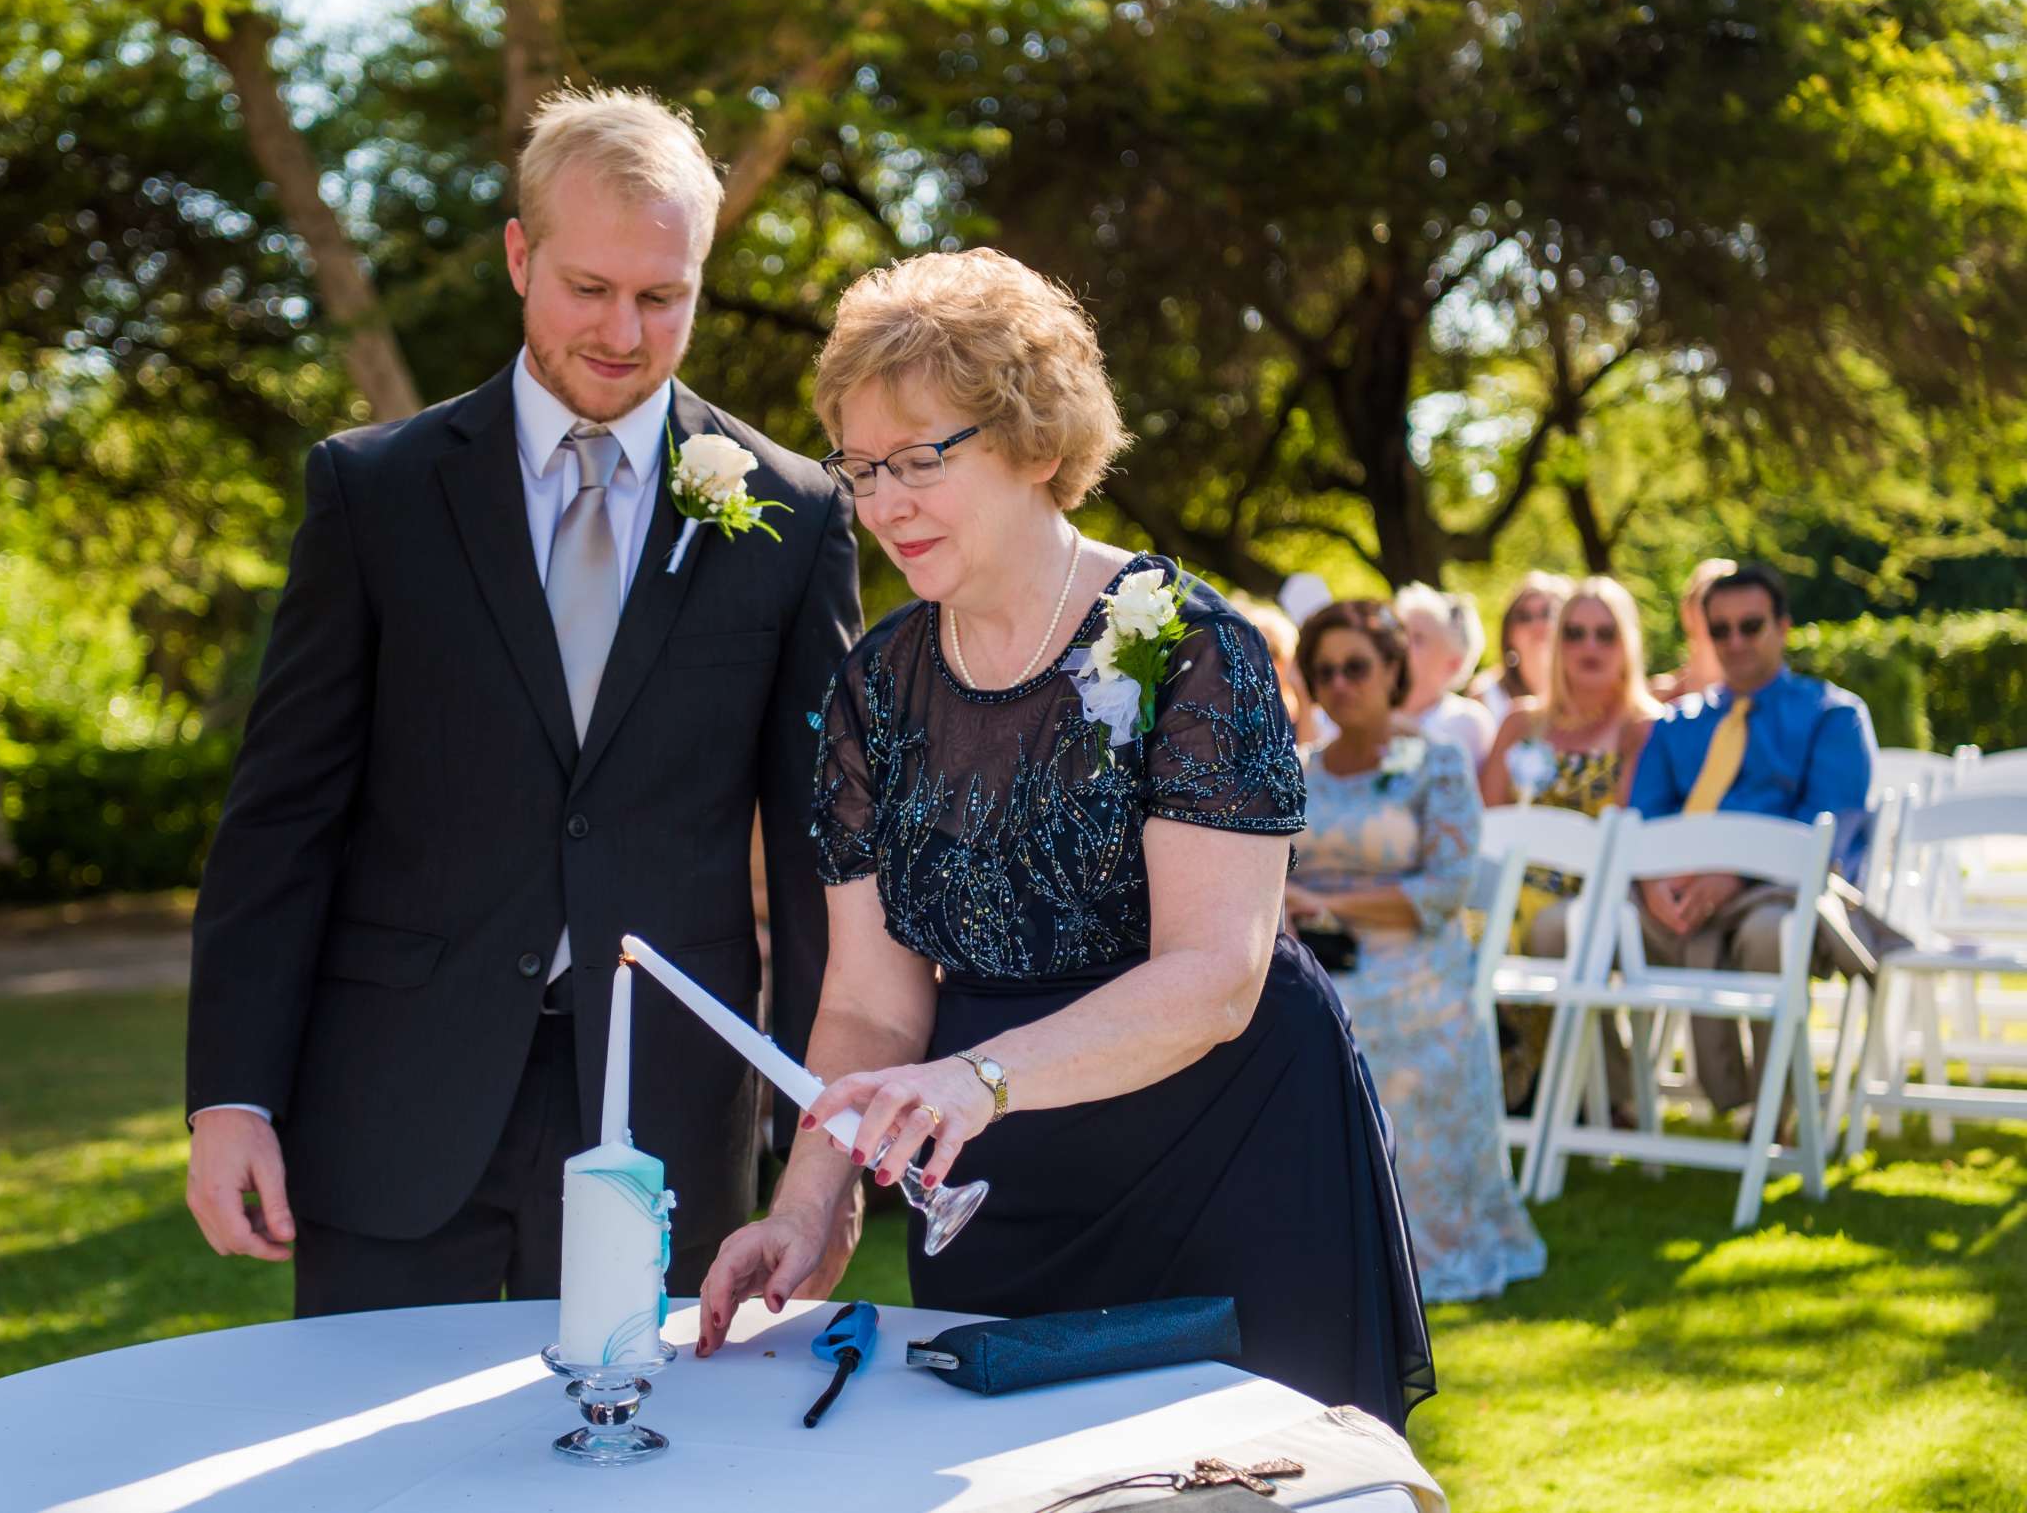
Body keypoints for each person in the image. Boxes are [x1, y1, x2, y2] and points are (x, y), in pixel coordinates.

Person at [692, 249, 1434, 1429]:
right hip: (1000, 1182)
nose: (884, 504)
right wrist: (809, 1204)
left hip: (1230, 1146)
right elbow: (873, 1007)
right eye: (862, 467)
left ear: (1037, 444)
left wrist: (982, 1081)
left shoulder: (1189, 649)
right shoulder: (874, 690)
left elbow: (1215, 974)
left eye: (921, 459)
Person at [182, 88, 862, 1315]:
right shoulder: (373, 495)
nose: (622, 330)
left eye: (663, 297)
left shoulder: (797, 516)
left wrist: (822, 1147)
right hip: (391, 1096)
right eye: (588, 287)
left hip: (666, 1104)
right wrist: (232, 1094)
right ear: (517, 256)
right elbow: (282, 814)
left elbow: (822, 857)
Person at [1285, 601, 1545, 1304]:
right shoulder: (1299, 768)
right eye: (1325, 671)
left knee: (1371, 1020)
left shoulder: (1434, 763)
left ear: (1394, 670)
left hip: (1419, 974)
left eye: (1357, 668)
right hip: (1311, 968)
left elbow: (1445, 888)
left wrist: (1330, 904)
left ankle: (1417, 1249)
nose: (1340, 685)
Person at [1625, 564, 1890, 1115]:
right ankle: (1608, 1104)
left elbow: (1829, 835)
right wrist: (1651, 883)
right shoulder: (1678, 724)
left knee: (1771, 933)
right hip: (1674, 900)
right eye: (1720, 630)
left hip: (1778, 894)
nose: (1736, 641)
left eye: (1751, 625)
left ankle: (1776, 1112)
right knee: (1563, 927)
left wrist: (1735, 876)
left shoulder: (1833, 715)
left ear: (1783, 627)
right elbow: (1642, 820)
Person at [1483, 575, 1663, 1116]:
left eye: (1604, 635)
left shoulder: (1642, 730)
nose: (1588, 648)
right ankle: (1489, 1084)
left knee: (1542, 923)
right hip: (1509, 883)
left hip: (1596, 890)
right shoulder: (1520, 724)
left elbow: (1630, 836)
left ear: (1627, 644)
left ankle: (1558, 1092)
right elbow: (1485, 825)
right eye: (1576, 633)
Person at [1393, 583, 1496, 771]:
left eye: (1418, 638)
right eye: (1400, 632)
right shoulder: (1367, 711)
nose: (1402, 644)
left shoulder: (1469, 722)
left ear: (1453, 663)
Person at [1472, 571, 1570, 727]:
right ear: (1508, 633)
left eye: (1548, 613)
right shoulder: (1486, 694)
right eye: (1524, 617)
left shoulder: (1588, 690)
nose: (1537, 625)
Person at [1649, 557, 1737, 703]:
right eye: (1708, 602)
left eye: (1734, 605)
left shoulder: (1758, 701)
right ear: (1687, 612)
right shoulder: (1658, 701)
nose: (1722, 615)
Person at [1245, 600, 1331, 747]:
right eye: (1252, 650)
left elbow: (1309, 762)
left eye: (1273, 652)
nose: (1263, 661)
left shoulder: (1322, 712)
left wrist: (1304, 701)